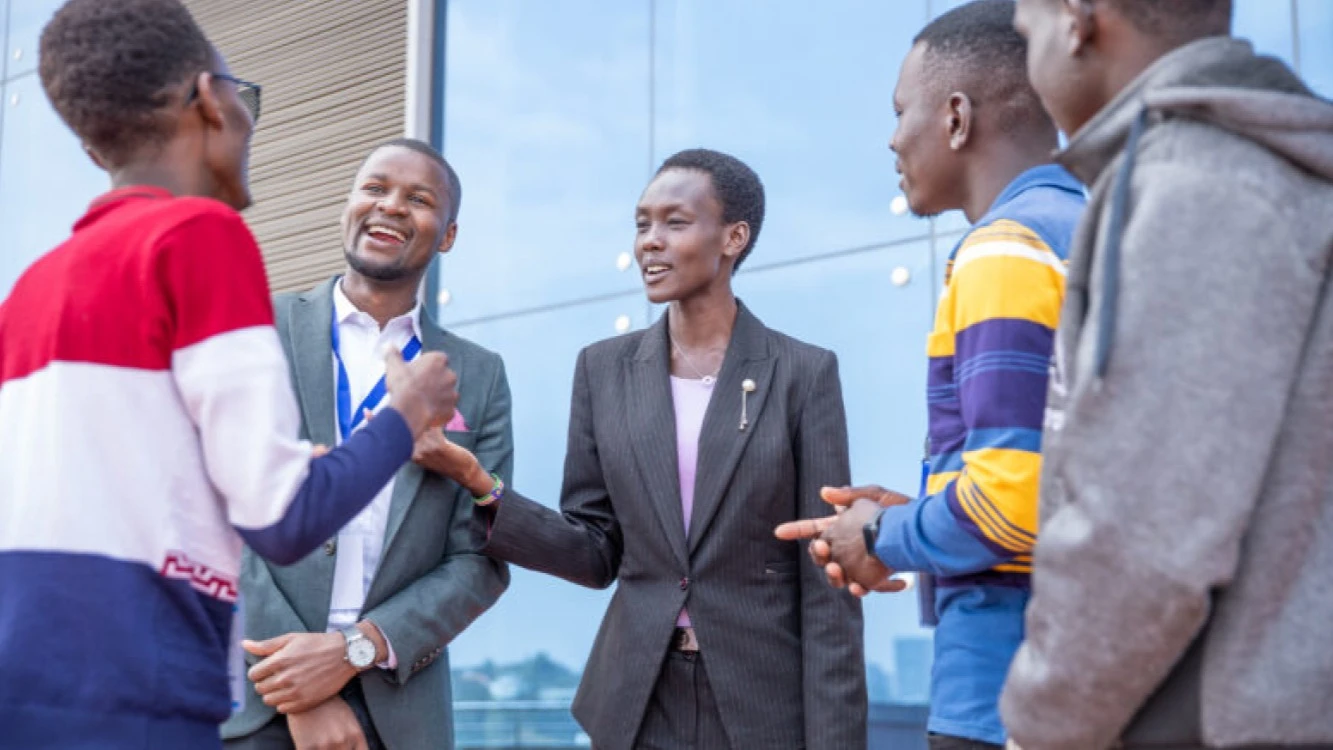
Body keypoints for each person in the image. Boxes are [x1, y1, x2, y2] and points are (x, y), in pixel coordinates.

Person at [0, 1, 461, 748]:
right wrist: (405, 414)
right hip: (142, 695)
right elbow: (283, 522)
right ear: (213, 101)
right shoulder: (202, 239)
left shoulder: (31, 289)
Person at [425, 148, 866, 750]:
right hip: (636, 700)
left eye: (675, 223)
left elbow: (827, 580)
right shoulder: (602, 370)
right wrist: (482, 484)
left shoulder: (803, 374)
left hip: (762, 704)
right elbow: (595, 549)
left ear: (733, 237)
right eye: (642, 224)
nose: (649, 243)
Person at [997, 1, 1333, 748]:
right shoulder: (1267, 171)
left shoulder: (1196, 184)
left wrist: (1041, 721)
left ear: (1078, 18)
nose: (1028, 61)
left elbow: (1144, 534)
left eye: (1025, 34)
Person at [775, 3, 1085, 748]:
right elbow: (1055, 482)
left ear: (954, 118)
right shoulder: (1091, 224)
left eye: (899, 111)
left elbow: (1009, 507)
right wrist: (923, 509)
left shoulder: (1002, 249)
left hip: (1004, 692)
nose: (890, 137)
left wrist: (878, 533)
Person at [220, 139, 511, 750]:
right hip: (251, 702)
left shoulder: (477, 374)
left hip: (397, 711)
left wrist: (355, 650)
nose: (393, 206)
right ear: (348, 206)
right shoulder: (257, 327)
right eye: (375, 188)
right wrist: (297, 685)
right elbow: (213, 509)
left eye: (419, 198)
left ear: (448, 235)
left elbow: (479, 560)